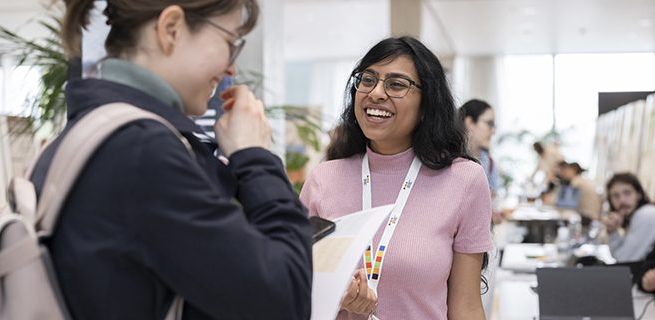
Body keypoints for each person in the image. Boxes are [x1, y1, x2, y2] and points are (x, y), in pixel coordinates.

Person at [29, 1, 312, 319]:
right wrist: (254, 155)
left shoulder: (93, 130)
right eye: (230, 43)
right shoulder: (143, 153)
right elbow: (286, 298)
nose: (232, 67)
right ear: (171, 29)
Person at [300, 36, 492, 319]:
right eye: (367, 80)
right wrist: (335, 298)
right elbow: (294, 292)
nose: (376, 92)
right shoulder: (323, 179)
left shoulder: (464, 180)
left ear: (427, 104)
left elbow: (466, 307)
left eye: (396, 84)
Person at [601, 173, 655, 262]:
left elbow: (624, 260)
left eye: (627, 193)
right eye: (615, 195)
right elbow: (618, 255)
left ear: (639, 194)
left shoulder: (646, 214)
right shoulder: (635, 215)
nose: (622, 200)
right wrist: (612, 230)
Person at [460, 99, 498, 194]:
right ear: (470, 122)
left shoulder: (490, 163)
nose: (493, 131)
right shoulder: (448, 162)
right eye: (489, 123)